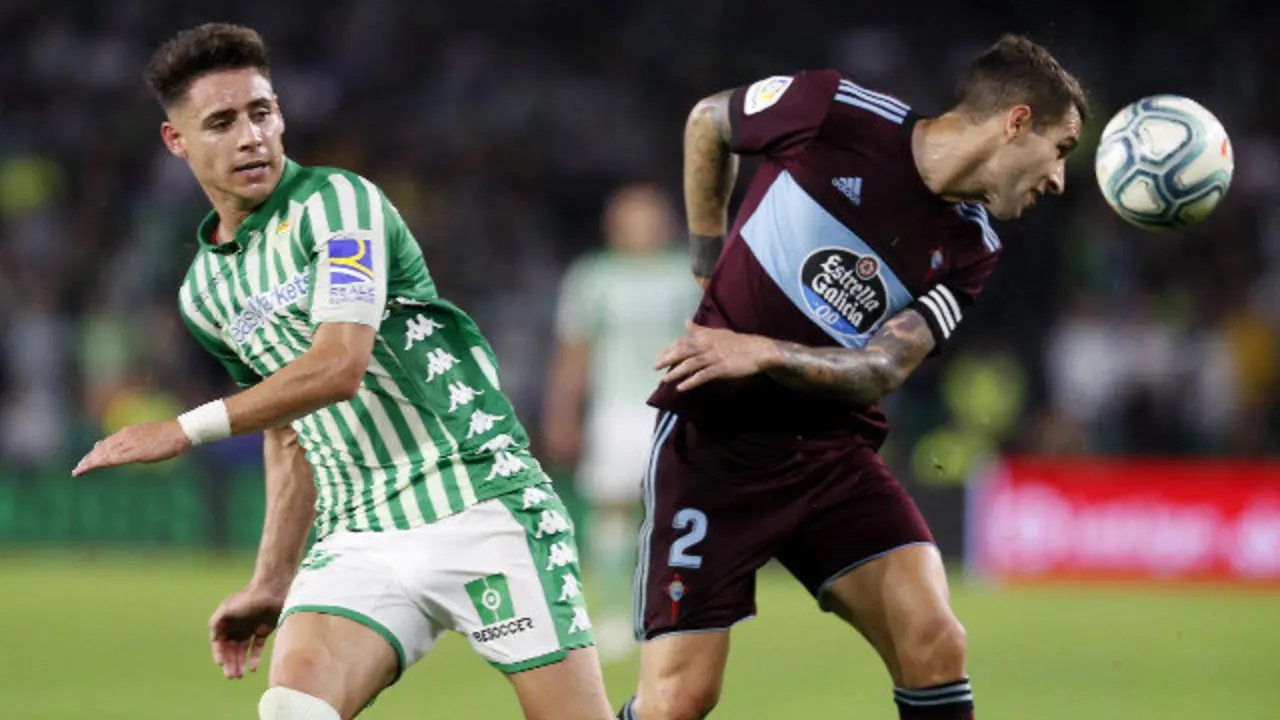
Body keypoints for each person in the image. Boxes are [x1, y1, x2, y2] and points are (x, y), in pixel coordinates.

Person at [71, 23, 613, 720]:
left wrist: (184, 428)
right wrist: (272, 578)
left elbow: (338, 367)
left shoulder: (338, 205)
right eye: (223, 122)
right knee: (291, 710)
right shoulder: (202, 296)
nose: (251, 137)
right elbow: (288, 422)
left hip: (477, 502)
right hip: (358, 533)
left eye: (262, 112)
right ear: (177, 141)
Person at [615, 34, 1088, 720]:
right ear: (1016, 122)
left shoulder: (972, 247)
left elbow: (884, 366)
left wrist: (765, 350)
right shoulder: (836, 111)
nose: (1058, 180)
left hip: (829, 457)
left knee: (935, 641)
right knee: (680, 699)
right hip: (714, 445)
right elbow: (708, 123)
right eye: (1061, 150)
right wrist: (705, 259)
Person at [543, 183, 700, 662]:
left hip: (674, 408)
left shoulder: (687, 274)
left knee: (676, 512)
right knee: (612, 509)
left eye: (650, 215)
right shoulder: (593, 277)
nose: (643, 225)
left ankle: (675, 611)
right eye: (633, 216)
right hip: (614, 411)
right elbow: (574, 351)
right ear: (614, 224)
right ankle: (613, 612)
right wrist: (562, 413)